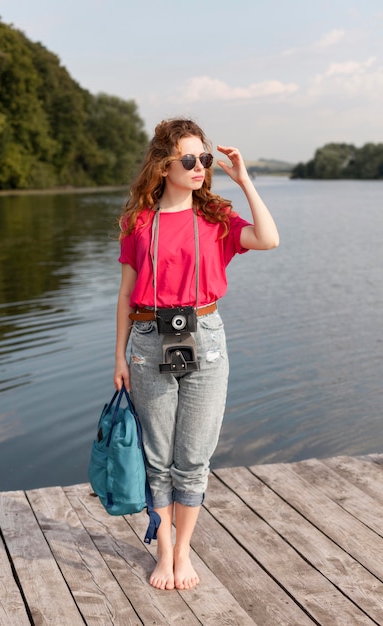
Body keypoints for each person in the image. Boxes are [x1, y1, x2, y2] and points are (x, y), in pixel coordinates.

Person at [113, 118, 279, 591]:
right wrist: (119, 357)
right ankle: (163, 551)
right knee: (157, 456)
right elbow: (125, 295)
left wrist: (244, 179)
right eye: (190, 159)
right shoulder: (139, 223)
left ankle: (183, 550)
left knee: (193, 458)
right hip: (147, 339)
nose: (200, 167)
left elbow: (268, 239)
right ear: (164, 166)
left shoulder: (217, 219)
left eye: (204, 159)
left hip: (205, 336)